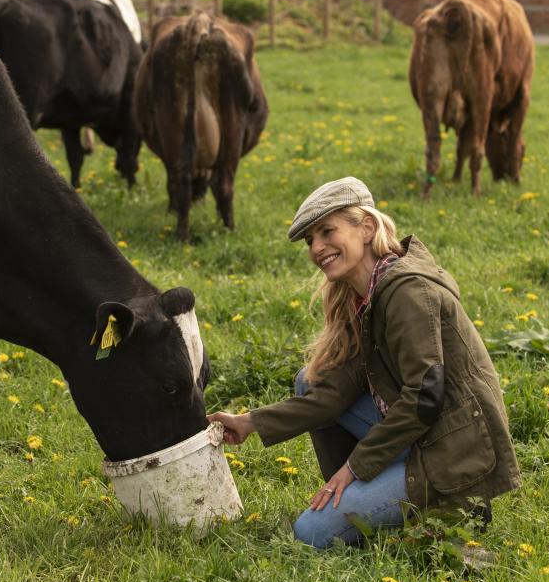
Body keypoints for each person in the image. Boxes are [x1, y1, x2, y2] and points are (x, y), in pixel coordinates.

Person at [208, 177, 521, 549]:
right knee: (310, 381)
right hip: (423, 433)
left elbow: (425, 397)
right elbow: (336, 393)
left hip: (453, 450)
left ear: (367, 228)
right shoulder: (366, 293)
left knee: (311, 535)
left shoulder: (406, 292)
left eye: (327, 231)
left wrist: (356, 466)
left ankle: (456, 504)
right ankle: (362, 494)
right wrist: (251, 422)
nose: (317, 248)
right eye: (311, 240)